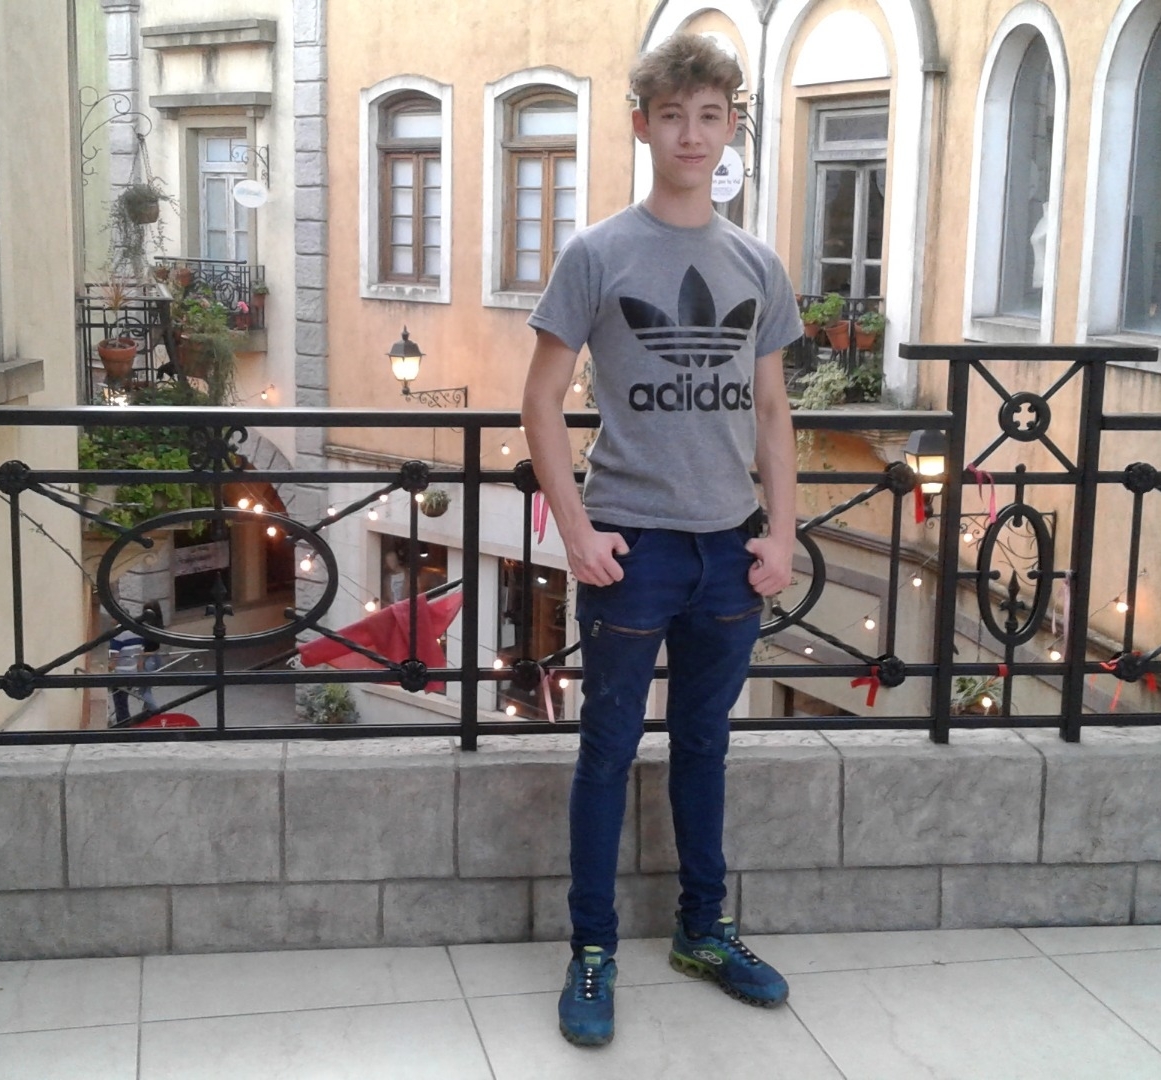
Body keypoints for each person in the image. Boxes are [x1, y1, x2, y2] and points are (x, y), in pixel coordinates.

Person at [521, 32, 802, 1048]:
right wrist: (577, 532)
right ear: (642, 125)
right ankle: (592, 949)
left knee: (705, 746)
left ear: (731, 128)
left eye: (710, 115)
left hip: (730, 550)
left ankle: (702, 931)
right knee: (606, 751)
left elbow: (772, 411)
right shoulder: (597, 254)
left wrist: (783, 535)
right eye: (673, 115)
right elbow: (540, 402)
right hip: (631, 547)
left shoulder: (757, 262)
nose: (692, 134)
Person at [109, 602, 165, 724]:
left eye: (112, 616)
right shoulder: (136, 631)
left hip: (121, 672)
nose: (110, 619)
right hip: (132, 671)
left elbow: (114, 656)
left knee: (121, 703)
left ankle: (125, 727)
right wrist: (138, 668)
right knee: (126, 699)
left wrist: (110, 670)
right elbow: (141, 651)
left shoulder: (117, 635)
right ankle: (144, 717)